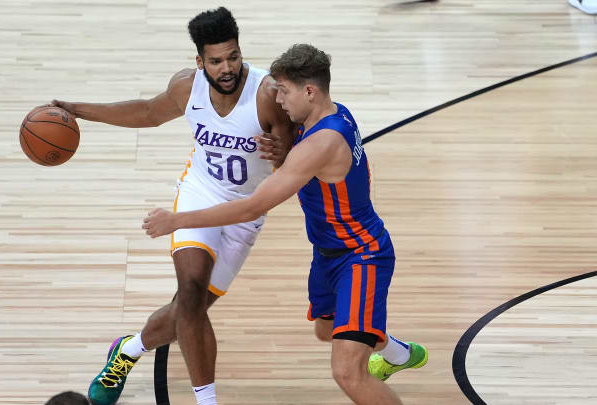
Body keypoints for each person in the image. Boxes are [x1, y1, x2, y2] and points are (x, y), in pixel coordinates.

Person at [143, 44, 428, 405]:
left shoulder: (321, 143)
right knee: (328, 330)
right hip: (329, 254)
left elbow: (252, 207)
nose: (277, 99)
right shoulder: (330, 114)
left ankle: (386, 358)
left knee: (347, 372)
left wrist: (177, 220)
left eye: (284, 90)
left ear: (309, 91)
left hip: (362, 256)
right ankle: (398, 354)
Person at [47, 7, 294, 405]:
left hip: (248, 209)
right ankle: (206, 400)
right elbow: (146, 113)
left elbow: (289, 170)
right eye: (216, 61)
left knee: (187, 310)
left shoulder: (268, 95)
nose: (227, 67)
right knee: (191, 292)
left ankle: (128, 350)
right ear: (200, 62)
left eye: (233, 56)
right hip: (200, 192)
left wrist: (283, 152)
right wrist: (78, 109)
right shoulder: (186, 87)